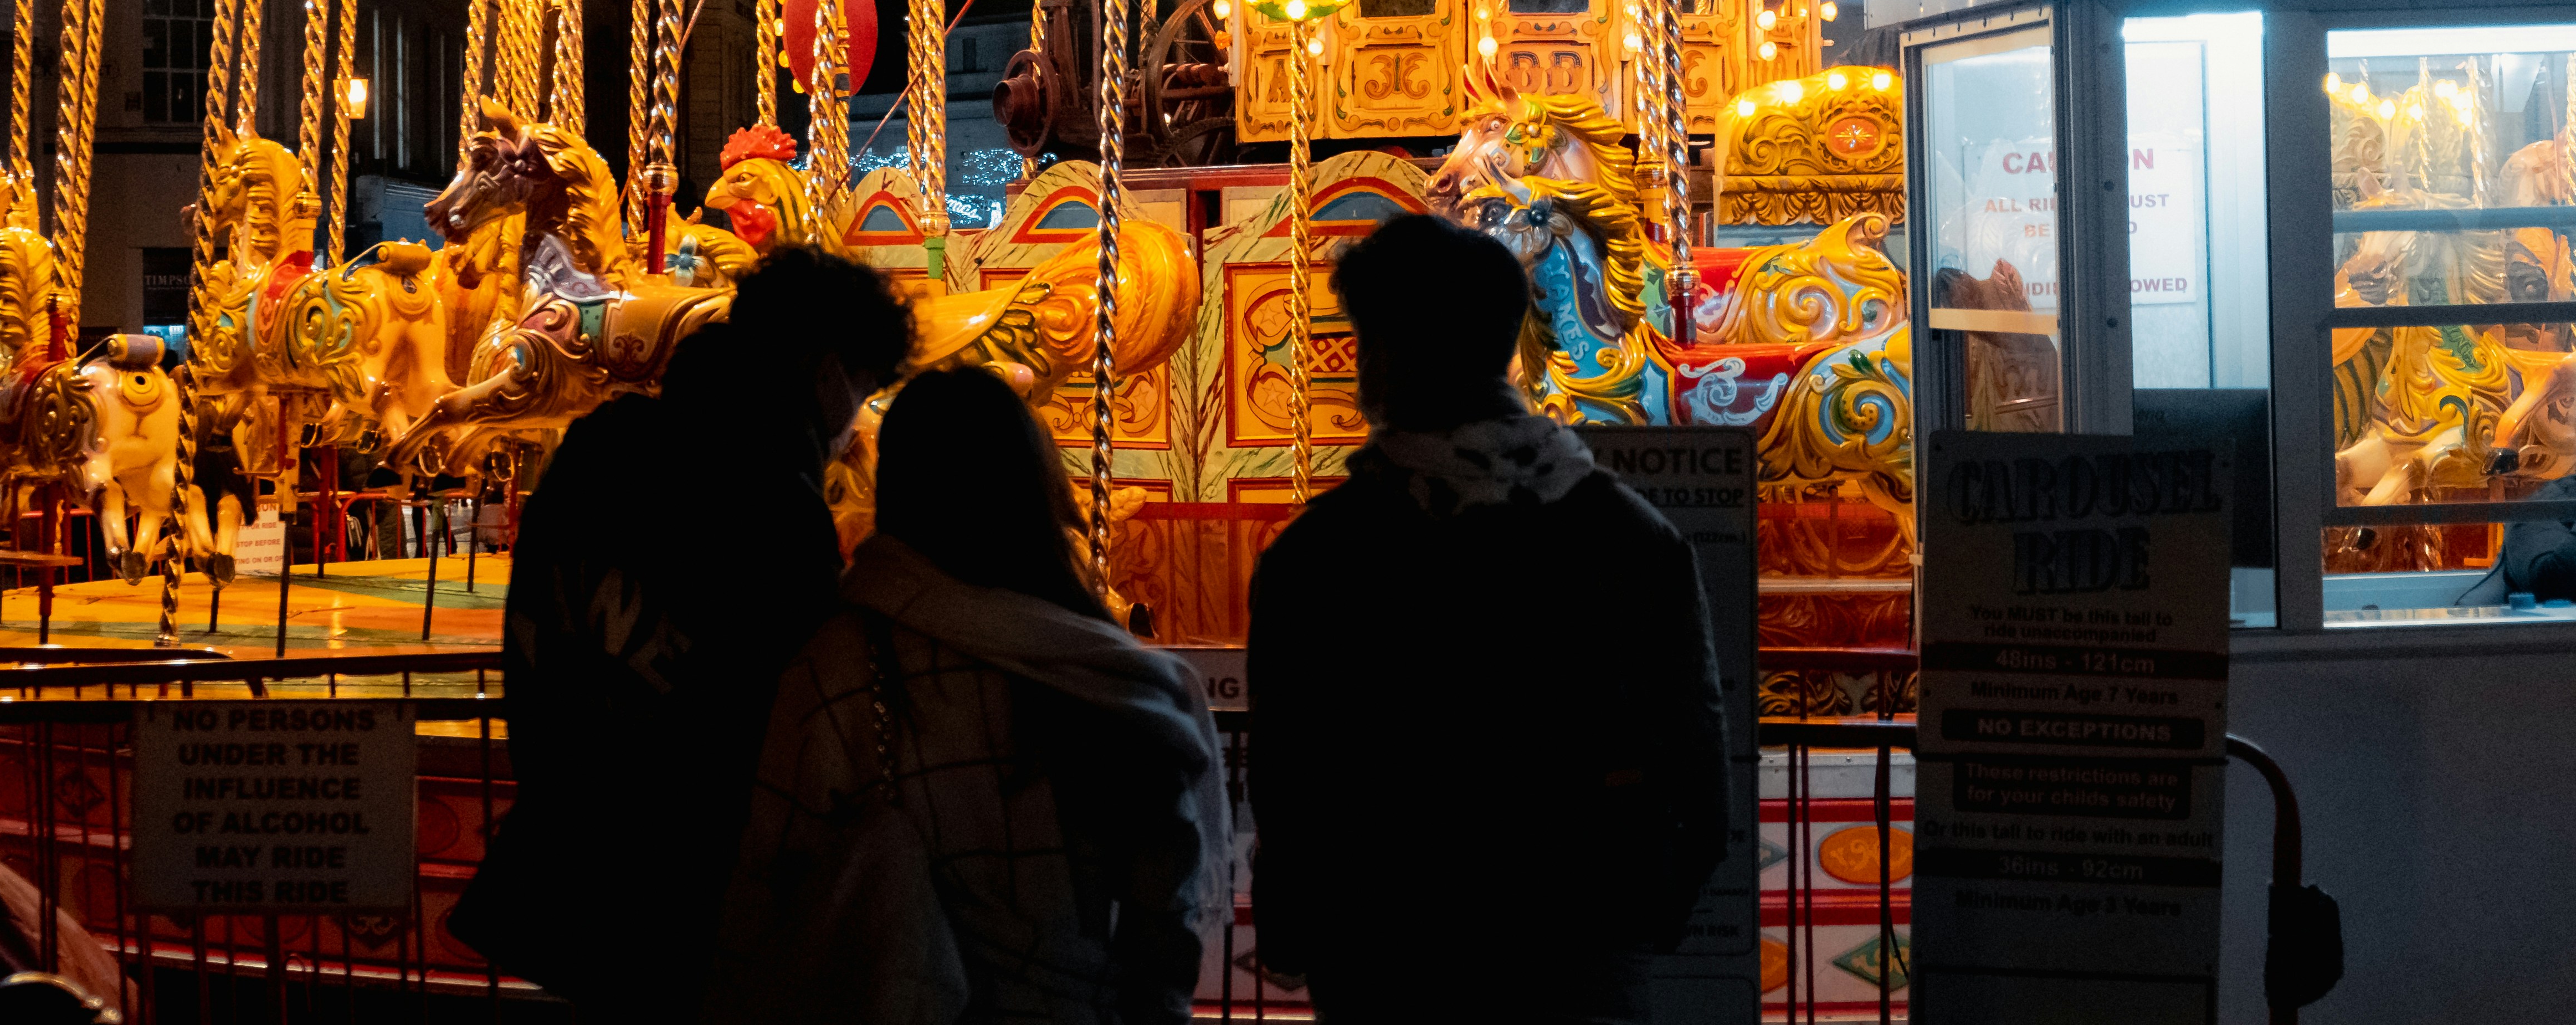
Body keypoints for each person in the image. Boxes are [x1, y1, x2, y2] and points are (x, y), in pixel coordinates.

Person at [1248, 214, 1729, 1023]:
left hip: (1389, 955)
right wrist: (1640, 916)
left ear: (1383, 358)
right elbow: (1697, 760)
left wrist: (1300, 927)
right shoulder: (1630, 536)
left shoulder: (1322, 556)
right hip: (1578, 950)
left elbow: (1293, 779)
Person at [449, 247, 915, 1020]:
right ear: (829, 370)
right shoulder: (772, 498)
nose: (854, 417)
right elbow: (790, 703)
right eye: (862, 388)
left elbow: (535, 631)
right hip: (701, 876)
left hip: (571, 848)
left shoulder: (598, 446)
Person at [709, 367, 1229, 1024]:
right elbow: (1167, 924)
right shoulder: (1125, 688)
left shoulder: (839, 666)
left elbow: (767, 887)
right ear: (1037, 489)